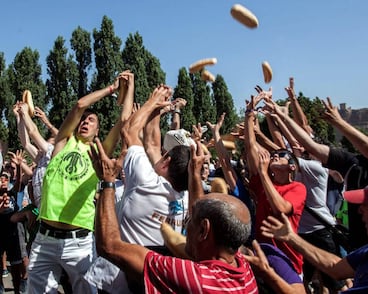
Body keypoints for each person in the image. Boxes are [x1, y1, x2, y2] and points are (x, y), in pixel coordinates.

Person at [88, 125, 259, 293]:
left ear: (204, 230)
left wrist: (107, 181)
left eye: (190, 220)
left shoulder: (190, 277)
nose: (184, 226)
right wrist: (194, 174)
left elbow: (109, 246)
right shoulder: (245, 270)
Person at [27, 72, 133, 293]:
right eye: (83, 119)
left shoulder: (99, 152)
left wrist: (129, 87)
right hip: (44, 239)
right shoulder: (62, 143)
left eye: (91, 120)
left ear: (98, 130)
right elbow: (80, 105)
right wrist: (111, 89)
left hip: (79, 243)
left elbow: (124, 122)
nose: (85, 121)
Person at [85, 85, 192, 293]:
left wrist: (152, 100)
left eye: (163, 156)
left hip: (119, 280)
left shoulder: (145, 182)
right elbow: (152, 144)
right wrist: (156, 112)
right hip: (159, 279)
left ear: (166, 162)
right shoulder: (185, 197)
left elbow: (129, 131)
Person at [270, 96, 368, 250]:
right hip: (361, 248)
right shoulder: (354, 164)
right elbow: (312, 146)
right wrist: (283, 116)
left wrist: (339, 122)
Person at [260, 174, 368, 292]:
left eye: (367, 204)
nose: (360, 210)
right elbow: (337, 267)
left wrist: (270, 271)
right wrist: (291, 237)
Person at [244, 90, 306, 275]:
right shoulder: (264, 179)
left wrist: (263, 174)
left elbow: (281, 208)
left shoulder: (297, 188)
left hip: (288, 260)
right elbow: (249, 147)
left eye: (281, 156)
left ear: (292, 168)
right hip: (262, 257)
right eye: (274, 155)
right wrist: (249, 114)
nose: (275, 156)